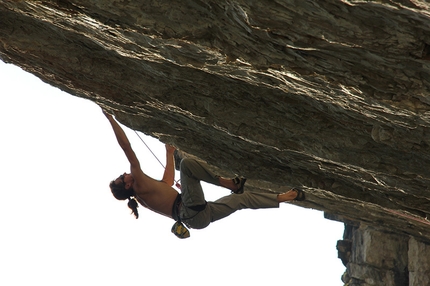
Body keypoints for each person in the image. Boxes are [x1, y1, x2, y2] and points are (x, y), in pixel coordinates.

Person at [103, 110, 305, 238]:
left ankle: (285, 197)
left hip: (198, 218)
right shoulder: (138, 185)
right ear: (127, 185)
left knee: (241, 200)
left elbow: (167, 181)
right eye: (122, 178)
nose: (124, 174)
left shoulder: (143, 193)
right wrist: (111, 118)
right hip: (189, 211)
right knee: (189, 165)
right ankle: (230, 184)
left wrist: (169, 154)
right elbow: (127, 148)